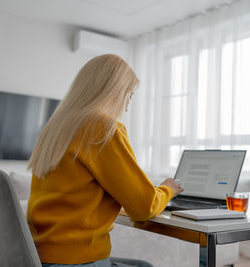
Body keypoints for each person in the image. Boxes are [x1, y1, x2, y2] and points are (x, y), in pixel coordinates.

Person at [27, 54, 183, 267]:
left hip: (40, 255)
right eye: (130, 95)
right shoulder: (101, 127)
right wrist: (167, 189)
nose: (127, 106)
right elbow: (144, 207)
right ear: (115, 93)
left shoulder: (55, 129)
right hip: (76, 260)